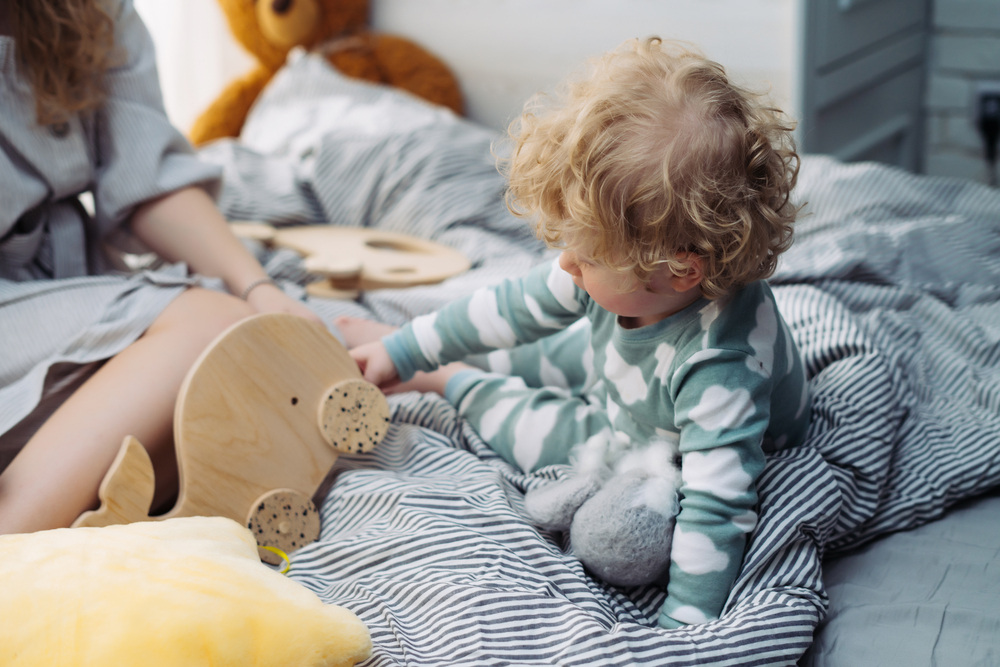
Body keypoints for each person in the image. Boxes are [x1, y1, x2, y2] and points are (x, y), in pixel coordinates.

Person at [345, 37, 809, 628]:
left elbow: (717, 510)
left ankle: (450, 381)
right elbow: (506, 309)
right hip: (627, 371)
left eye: (585, 255)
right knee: (541, 339)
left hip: (660, 442)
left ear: (680, 269)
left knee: (550, 433)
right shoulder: (617, 273)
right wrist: (400, 347)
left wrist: (683, 627)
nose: (565, 263)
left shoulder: (722, 368)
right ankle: (427, 358)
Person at [0, 0, 319, 535]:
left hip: (55, 282)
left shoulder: (92, 11)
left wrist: (258, 288)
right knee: (213, 329)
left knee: (255, 358)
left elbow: (148, 179)